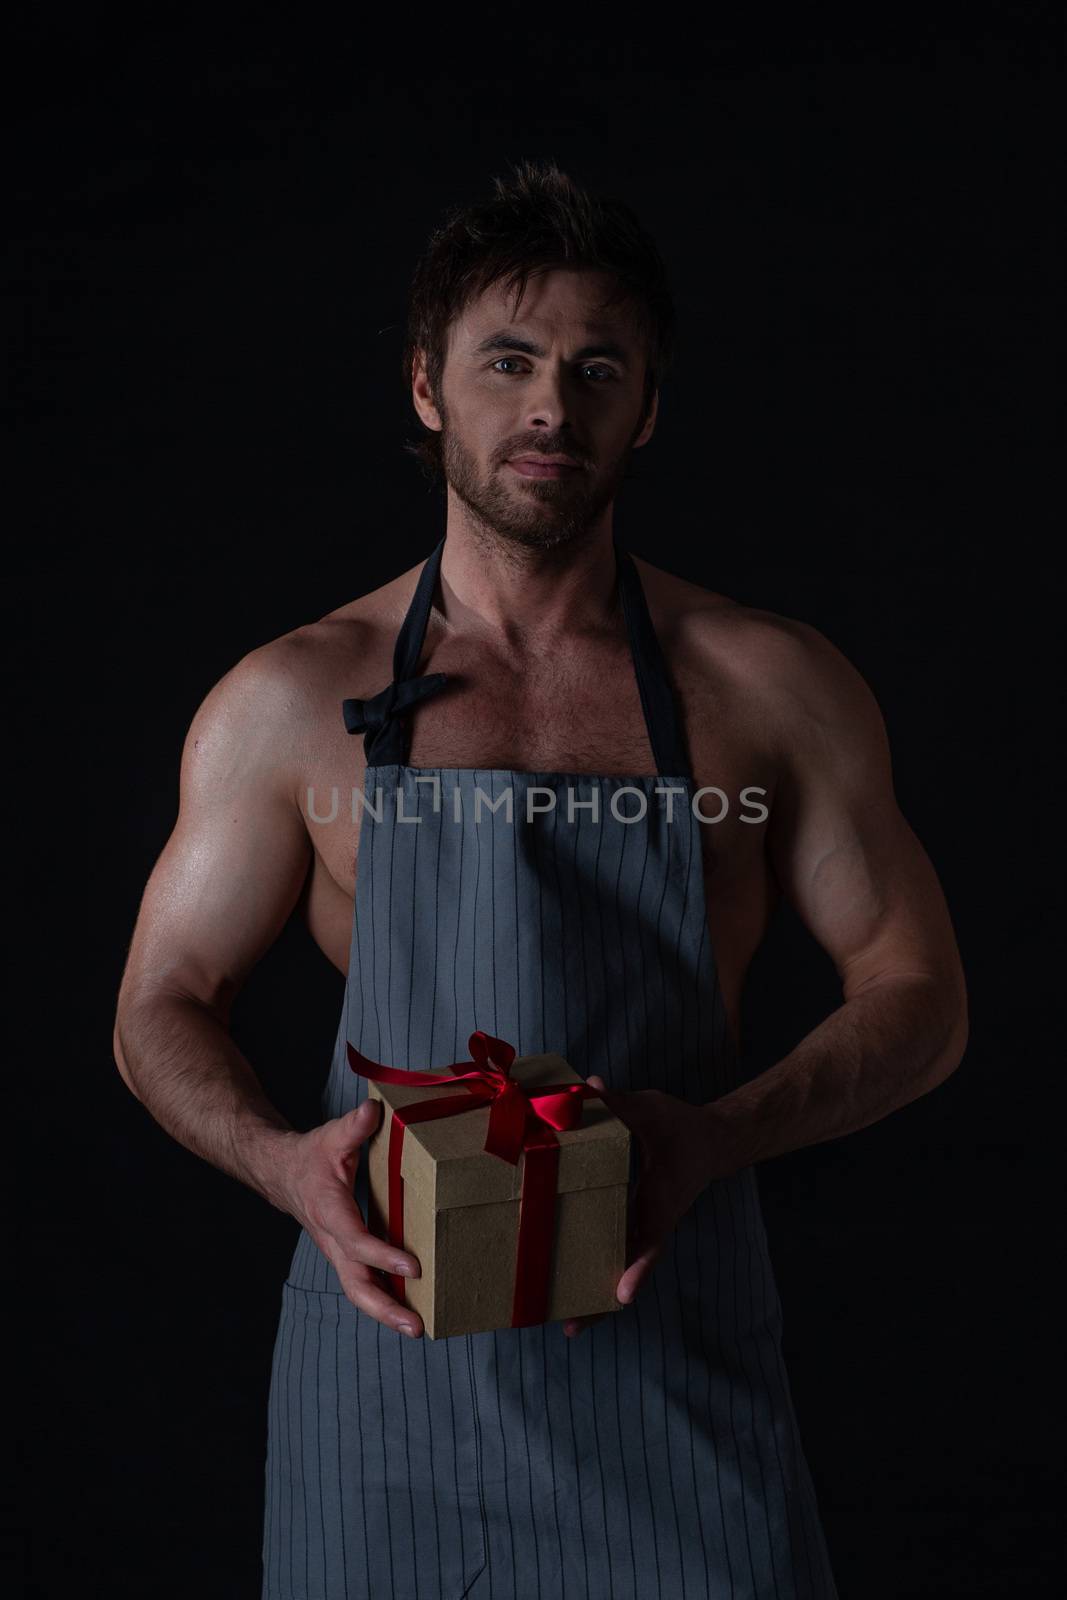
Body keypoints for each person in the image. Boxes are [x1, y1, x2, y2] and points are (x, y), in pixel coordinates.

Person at [113, 159, 968, 1600]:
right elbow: (161, 1001)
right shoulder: (291, 696)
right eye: (508, 362)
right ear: (429, 390)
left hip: (674, 1351)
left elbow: (921, 994)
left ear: (651, 406)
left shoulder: (768, 686)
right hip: (388, 1387)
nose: (551, 409)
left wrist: (719, 1136)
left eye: (597, 368)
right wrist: (282, 1166)